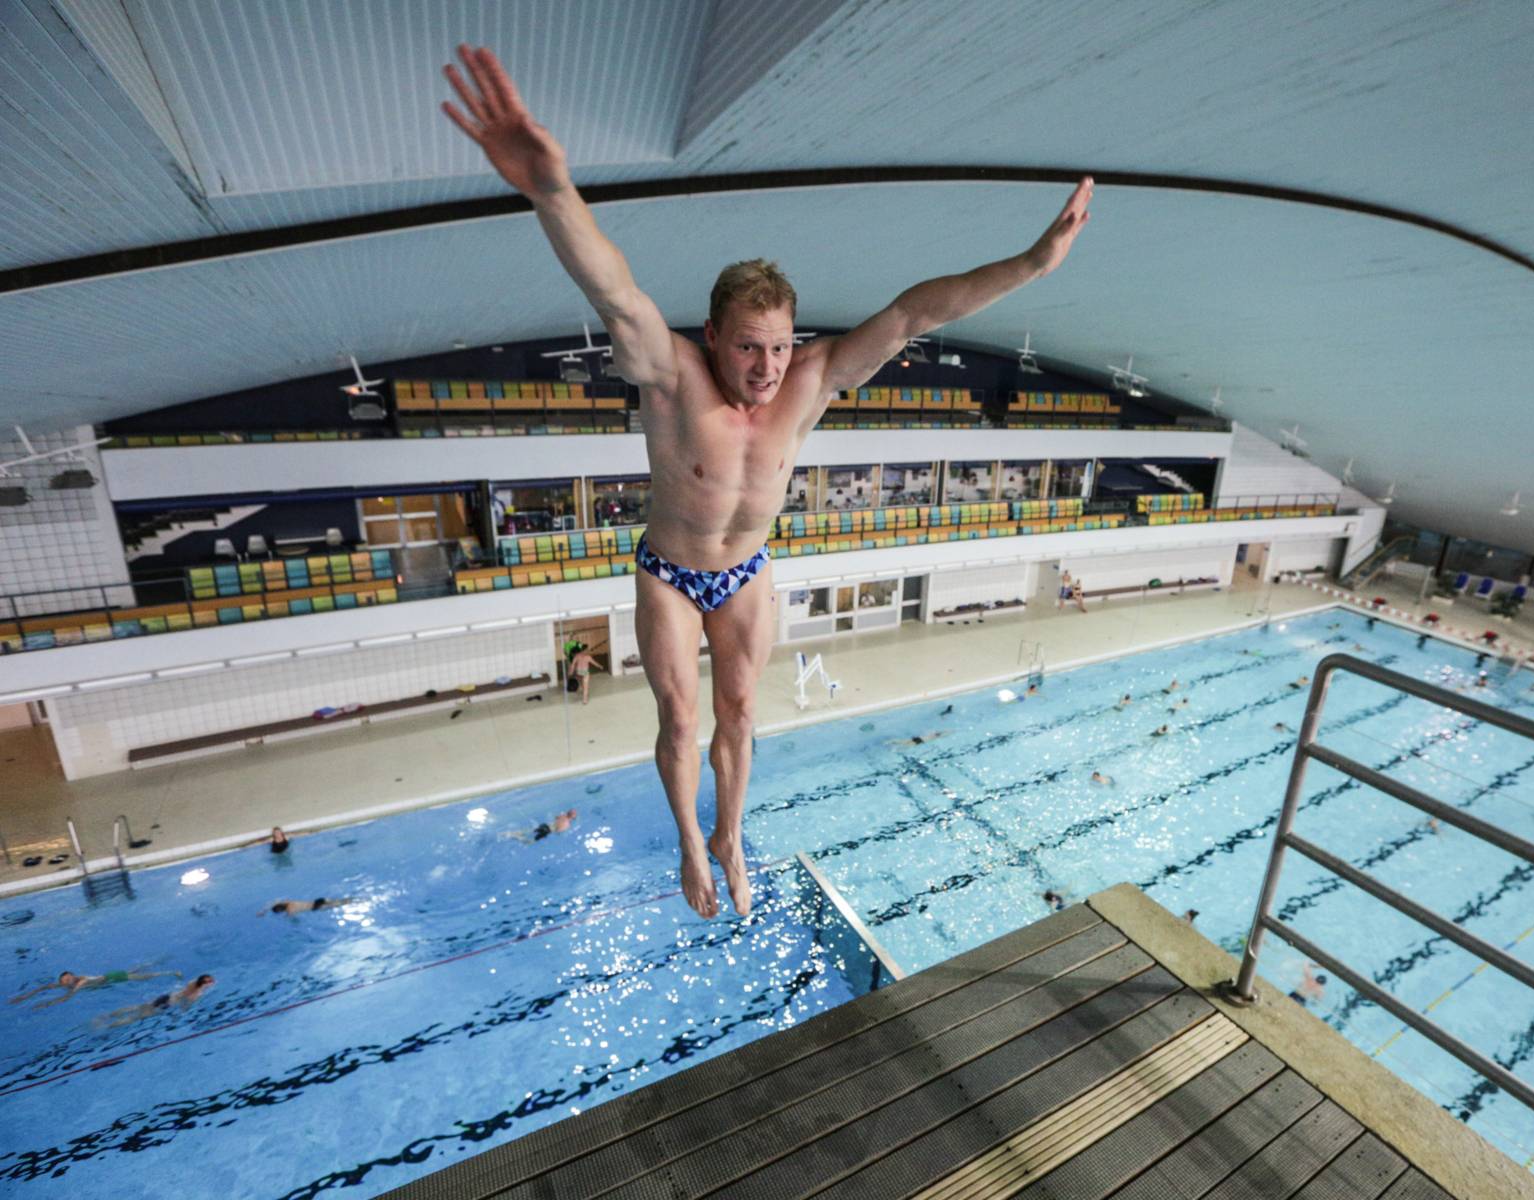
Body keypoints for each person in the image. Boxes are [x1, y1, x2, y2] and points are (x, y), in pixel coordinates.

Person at [443, 45, 1093, 918]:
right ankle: (688, 845)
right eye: (749, 345)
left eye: (779, 345)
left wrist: (1033, 264)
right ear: (714, 335)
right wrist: (552, 192)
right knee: (681, 720)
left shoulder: (812, 379)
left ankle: (729, 836)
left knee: (742, 718)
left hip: (747, 570)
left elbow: (915, 311)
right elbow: (617, 293)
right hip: (671, 573)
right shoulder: (671, 373)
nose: (765, 365)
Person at [10, 966, 180, 1009]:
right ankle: (150, 964)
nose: (67, 982)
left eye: (68, 978)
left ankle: (170, 973)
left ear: (73, 976)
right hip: (107, 977)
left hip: (113, 978)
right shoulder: (69, 983)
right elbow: (45, 987)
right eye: (64, 981)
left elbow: (68, 997)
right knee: (137, 972)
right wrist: (24, 997)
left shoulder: (81, 982)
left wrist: (47, 1004)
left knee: (144, 977)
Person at [95, 974, 215, 1028]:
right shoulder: (197, 994)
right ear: (205, 984)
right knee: (137, 1017)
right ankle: (108, 1026)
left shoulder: (192, 982)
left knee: (138, 1007)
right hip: (168, 1004)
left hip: (166, 997)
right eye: (210, 982)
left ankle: (107, 1015)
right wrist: (178, 1016)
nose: (212, 983)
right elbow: (185, 1007)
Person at [503, 808, 579, 843]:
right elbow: (558, 831)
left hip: (545, 825)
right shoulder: (567, 825)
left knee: (530, 831)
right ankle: (517, 837)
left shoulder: (562, 815)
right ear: (572, 818)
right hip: (548, 831)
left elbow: (556, 818)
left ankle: (512, 833)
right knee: (530, 841)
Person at [258, 897, 357, 917]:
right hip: (318, 900)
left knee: (338, 905)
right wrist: (264, 911)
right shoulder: (289, 902)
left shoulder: (289, 910)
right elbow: (276, 901)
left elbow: (292, 917)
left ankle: (352, 902)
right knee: (340, 901)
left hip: (315, 907)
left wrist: (287, 917)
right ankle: (353, 899)